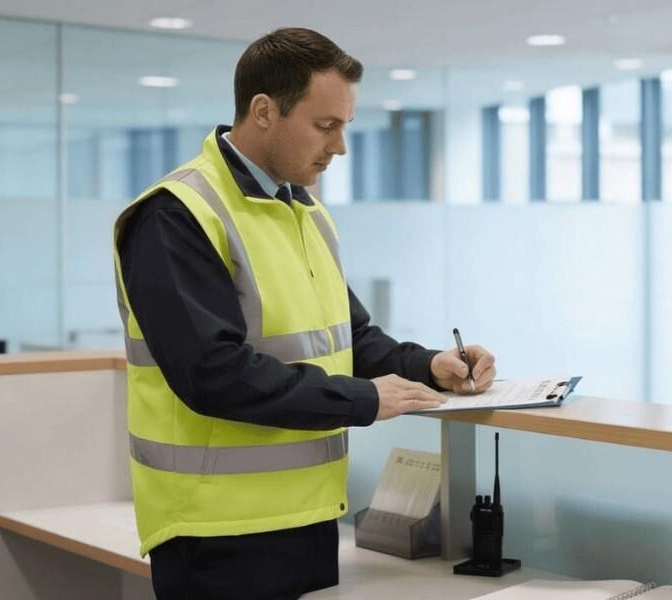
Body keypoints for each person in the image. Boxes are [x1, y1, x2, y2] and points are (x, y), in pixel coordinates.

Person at [112, 27, 497, 599]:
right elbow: (212, 373)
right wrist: (364, 400)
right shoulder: (177, 215)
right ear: (264, 111)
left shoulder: (303, 209)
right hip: (215, 533)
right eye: (325, 125)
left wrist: (429, 365)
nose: (340, 146)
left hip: (309, 518)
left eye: (345, 125)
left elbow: (349, 338)